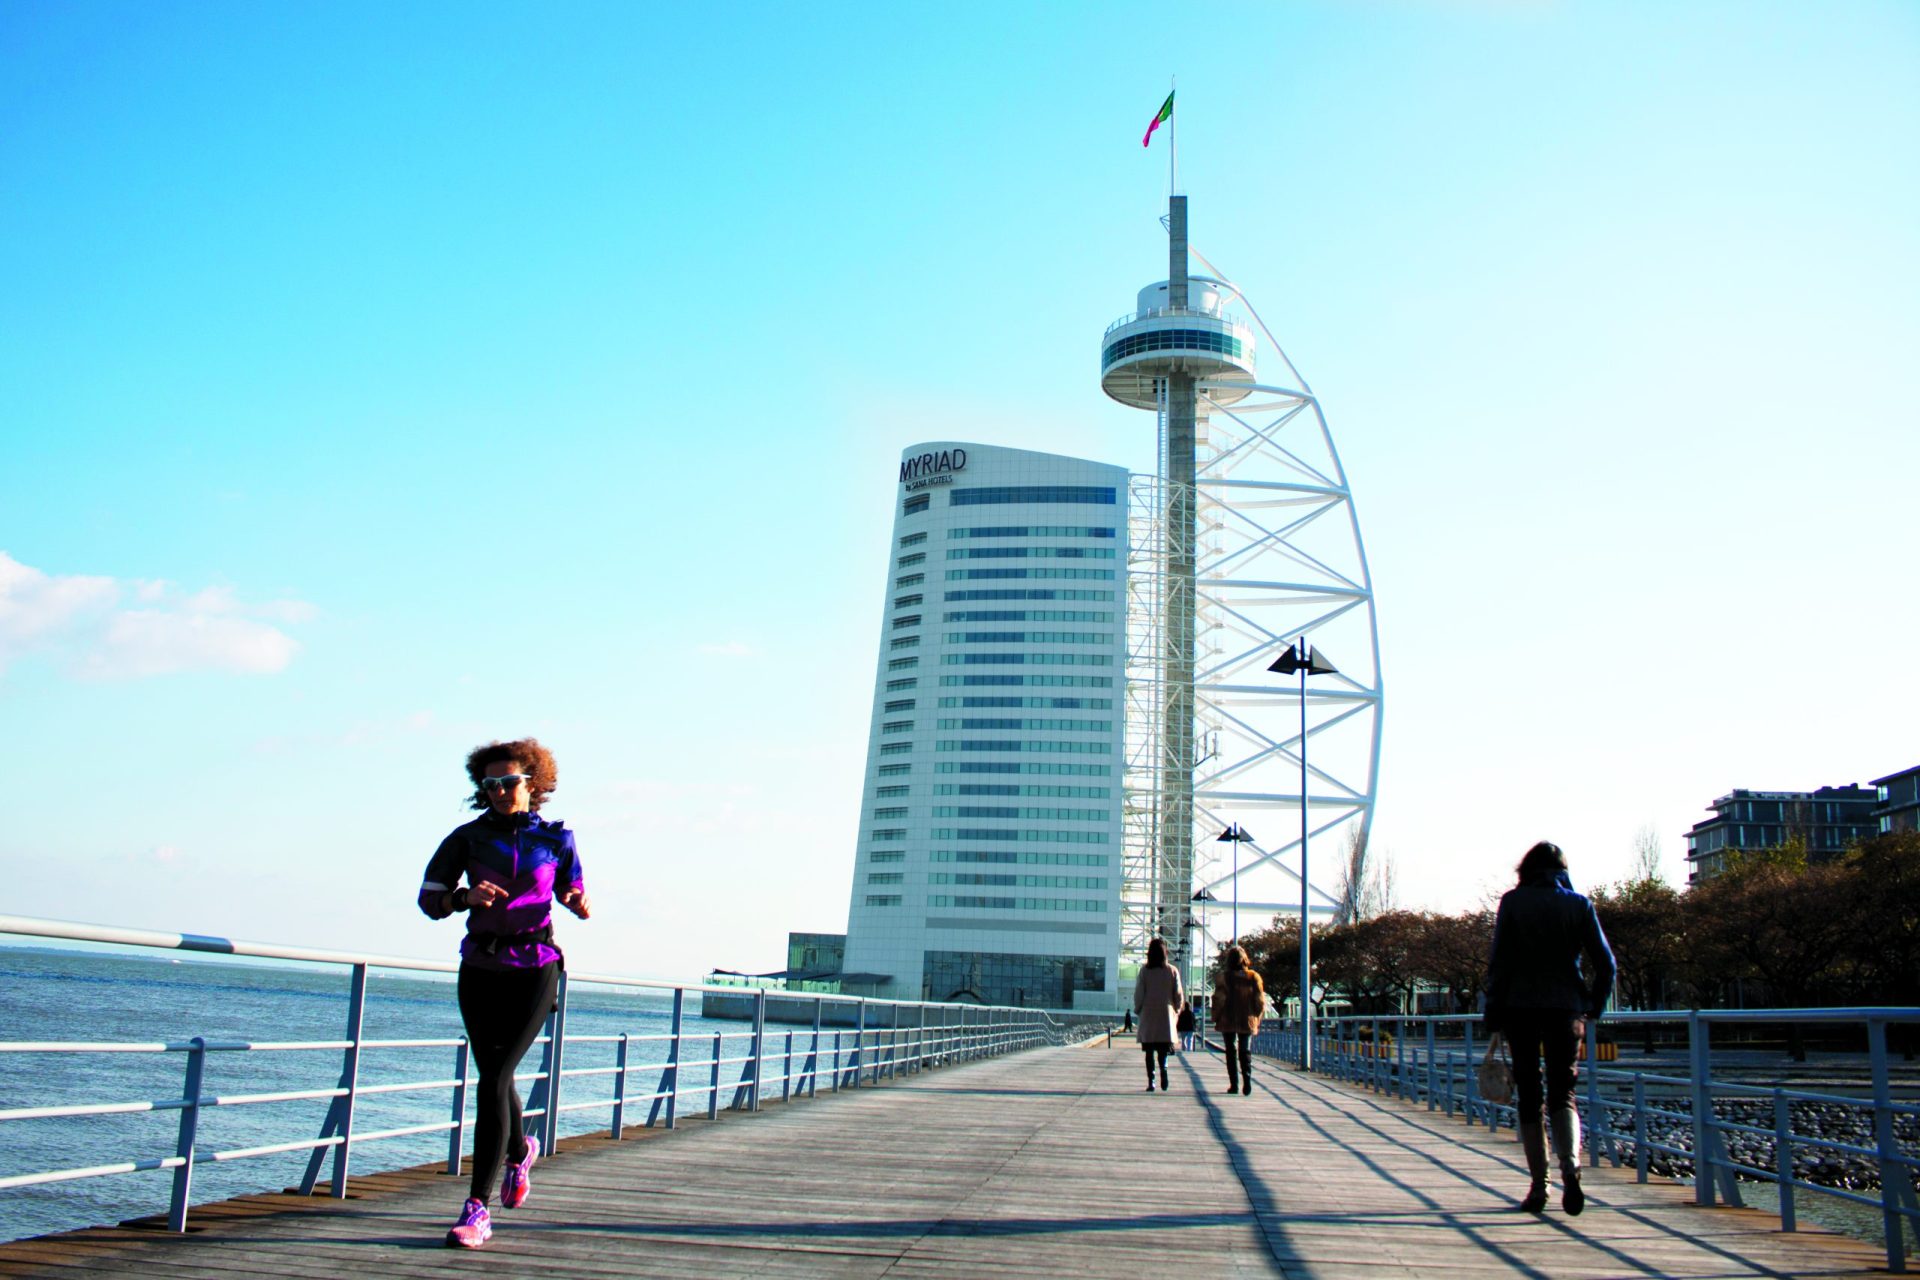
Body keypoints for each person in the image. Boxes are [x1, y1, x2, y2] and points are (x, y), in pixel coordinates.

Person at [418, 738, 591, 1248]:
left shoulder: (556, 838)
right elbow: (429, 899)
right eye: (489, 785)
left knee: (494, 1077)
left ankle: (476, 1210)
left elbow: (569, 886)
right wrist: (465, 897)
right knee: (495, 1076)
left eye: (508, 782)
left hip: (536, 966)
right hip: (480, 965)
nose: (498, 791)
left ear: (531, 783)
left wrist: (575, 900)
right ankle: (519, 1151)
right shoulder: (466, 839)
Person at [1483, 841, 1616, 1217]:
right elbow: (1606, 964)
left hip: (1519, 1008)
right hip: (1565, 1008)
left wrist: (1493, 1014)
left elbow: (1499, 963)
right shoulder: (1579, 904)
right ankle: (1570, 1168)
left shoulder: (1512, 902)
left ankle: (1538, 1186)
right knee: (1564, 1092)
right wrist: (1593, 1006)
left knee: (1529, 1094)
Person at [1132, 937, 1184, 1091]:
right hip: (1165, 1015)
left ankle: (1151, 1081)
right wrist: (1177, 1009)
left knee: (1149, 1051)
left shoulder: (1144, 971)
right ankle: (1165, 1073)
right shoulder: (1172, 971)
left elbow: (1139, 994)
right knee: (1163, 1050)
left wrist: (1138, 1008)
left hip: (1148, 1014)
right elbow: (1178, 994)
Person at [1211, 945, 1264, 1096]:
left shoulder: (1224, 977)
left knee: (1230, 1050)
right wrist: (1256, 1015)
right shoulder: (1253, 977)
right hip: (1246, 1018)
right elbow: (1259, 1000)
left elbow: (1219, 999)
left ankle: (1234, 1084)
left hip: (1227, 1018)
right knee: (1245, 1049)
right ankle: (1247, 1081)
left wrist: (1215, 1016)